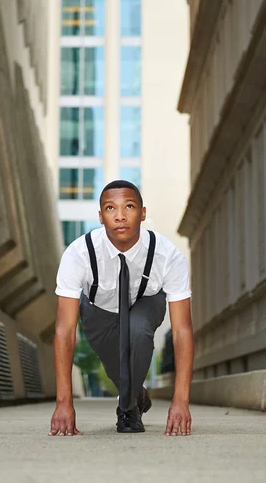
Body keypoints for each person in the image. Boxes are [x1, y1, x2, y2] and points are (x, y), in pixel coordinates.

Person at [49, 180, 194, 436]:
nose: (120, 216)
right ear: (101, 217)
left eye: (129, 206)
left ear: (143, 212)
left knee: (137, 329)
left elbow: (182, 330)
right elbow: (64, 330)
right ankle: (137, 393)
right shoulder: (79, 254)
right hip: (97, 313)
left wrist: (181, 401)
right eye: (110, 208)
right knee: (118, 367)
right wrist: (64, 404)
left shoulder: (167, 256)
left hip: (146, 305)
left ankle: (128, 410)